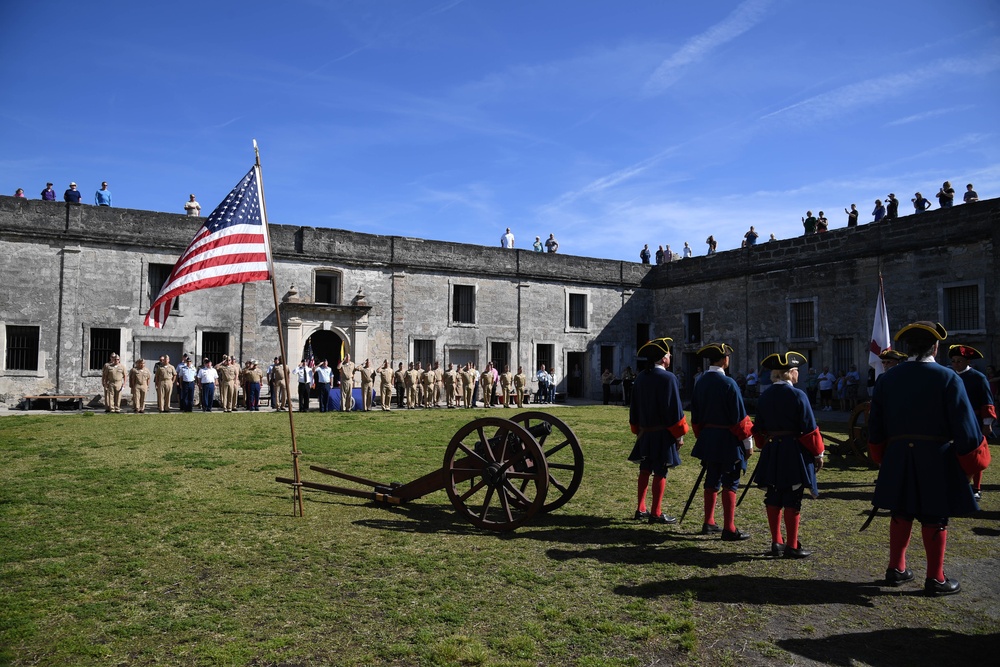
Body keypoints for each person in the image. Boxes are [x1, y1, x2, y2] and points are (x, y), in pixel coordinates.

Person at [868, 321, 990, 595]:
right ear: (936, 347)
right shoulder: (948, 378)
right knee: (935, 515)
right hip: (936, 456)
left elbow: (875, 428)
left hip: (898, 455)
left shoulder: (887, 379)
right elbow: (966, 427)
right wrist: (971, 463)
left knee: (901, 510)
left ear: (907, 348)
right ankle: (935, 578)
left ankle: (896, 569)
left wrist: (882, 457)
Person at [752, 351, 825, 558]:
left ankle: (776, 542)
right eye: (796, 371)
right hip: (793, 451)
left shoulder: (764, 396)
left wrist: (765, 445)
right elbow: (810, 429)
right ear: (789, 373)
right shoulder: (798, 395)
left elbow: (758, 429)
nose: (798, 375)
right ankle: (792, 545)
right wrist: (818, 453)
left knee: (773, 495)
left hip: (772, 450)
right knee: (793, 497)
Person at [690, 343, 754, 540]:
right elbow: (739, 418)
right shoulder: (729, 384)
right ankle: (729, 527)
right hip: (727, 440)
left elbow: (696, 416)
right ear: (724, 359)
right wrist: (748, 443)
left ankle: (708, 521)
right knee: (730, 482)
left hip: (708, 438)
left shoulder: (700, 382)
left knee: (711, 480)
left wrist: (703, 436)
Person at [628, 337, 689, 524]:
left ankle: (640, 508)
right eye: (668, 353)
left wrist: (637, 429)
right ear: (663, 358)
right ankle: (655, 512)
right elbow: (675, 410)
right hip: (663, 434)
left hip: (645, 433)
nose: (670, 355)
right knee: (661, 472)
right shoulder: (669, 378)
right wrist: (679, 435)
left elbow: (634, 408)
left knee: (645, 469)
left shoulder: (640, 378)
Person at [948, 345, 996, 500]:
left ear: (967, 361)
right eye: (953, 361)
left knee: (974, 454)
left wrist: (987, 423)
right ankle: (958, 484)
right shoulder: (948, 376)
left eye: (959, 361)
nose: (956, 364)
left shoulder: (978, 377)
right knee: (954, 454)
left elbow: (987, 402)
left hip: (973, 421)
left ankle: (976, 488)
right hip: (952, 421)